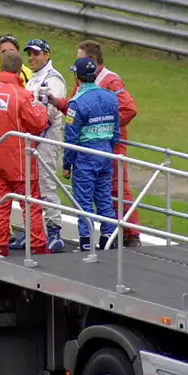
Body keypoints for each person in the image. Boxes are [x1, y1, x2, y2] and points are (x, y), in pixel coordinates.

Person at [51, 40, 142, 247]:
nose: (75, 63)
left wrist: (105, 127)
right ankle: (110, 237)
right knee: (103, 195)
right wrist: (57, 102)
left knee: (115, 190)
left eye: (79, 59)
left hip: (107, 146)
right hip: (103, 146)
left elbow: (129, 109)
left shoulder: (111, 81)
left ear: (91, 60)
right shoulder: (84, 81)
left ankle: (131, 234)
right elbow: (76, 109)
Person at [0, 52, 50, 258]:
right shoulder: (22, 95)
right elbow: (38, 123)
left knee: (0, 204)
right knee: (31, 205)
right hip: (19, 160)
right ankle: (38, 248)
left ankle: (0, 249)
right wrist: (42, 106)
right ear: (20, 70)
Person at [63, 57, 120, 251]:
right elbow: (116, 133)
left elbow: (71, 139)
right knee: (104, 198)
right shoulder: (111, 97)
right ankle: (108, 239)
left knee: (83, 202)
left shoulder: (75, 103)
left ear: (76, 77)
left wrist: (66, 165)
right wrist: (108, 150)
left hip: (85, 157)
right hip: (106, 155)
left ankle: (86, 243)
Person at [18, 38, 67, 253]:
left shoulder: (53, 79)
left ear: (47, 54)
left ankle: (54, 231)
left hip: (46, 139)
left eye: (36, 54)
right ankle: (33, 231)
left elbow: (49, 114)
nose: (32, 58)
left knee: (46, 183)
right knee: (30, 185)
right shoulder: (33, 78)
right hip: (32, 138)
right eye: (29, 54)